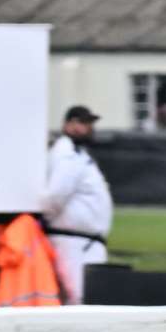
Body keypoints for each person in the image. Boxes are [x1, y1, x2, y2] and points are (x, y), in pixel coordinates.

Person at [43, 105, 113, 305]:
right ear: (70, 125)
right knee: (79, 298)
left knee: (79, 298)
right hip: (74, 242)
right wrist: (50, 222)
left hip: (80, 241)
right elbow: (56, 195)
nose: (90, 128)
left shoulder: (77, 154)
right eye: (85, 123)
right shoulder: (67, 154)